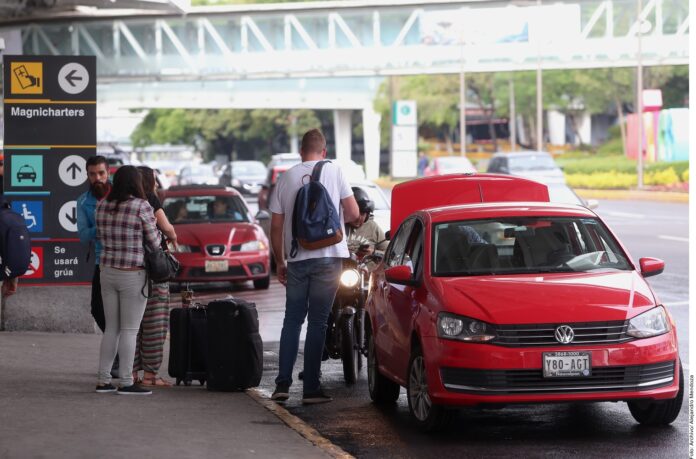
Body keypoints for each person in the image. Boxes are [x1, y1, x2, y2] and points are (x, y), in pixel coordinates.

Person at [269, 129, 360, 405]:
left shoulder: (285, 177)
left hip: (297, 258)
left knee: (292, 320)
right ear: (324, 152)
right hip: (329, 256)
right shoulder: (334, 170)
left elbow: (275, 227)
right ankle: (310, 388)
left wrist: (280, 261)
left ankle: (282, 385)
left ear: (300, 151)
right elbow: (354, 213)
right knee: (318, 322)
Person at [95, 165, 161, 395]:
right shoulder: (141, 206)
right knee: (130, 330)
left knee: (111, 329)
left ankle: (103, 380)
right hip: (133, 274)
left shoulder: (102, 204)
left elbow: (99, 236)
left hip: (107, 271)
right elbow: (154, 242)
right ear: (136, 183)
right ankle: (126, 381)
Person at [132, 166, 178, 387]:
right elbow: (167, 229)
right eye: (155, 181)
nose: (157, 185)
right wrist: (173, 238)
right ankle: (150, 375)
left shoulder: (119, 202)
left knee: (130, 325)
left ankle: (130, 372)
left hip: (128, 270)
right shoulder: (149, 200)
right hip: (153, 271)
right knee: (155, 323)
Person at [77, 156, 119, 375]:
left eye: (101, 173)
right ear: (87, 175)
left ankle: (123, 359)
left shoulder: (121, 196)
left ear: (108, 172)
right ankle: (119, 352)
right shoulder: (83, 201)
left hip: (126, 261)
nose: (97, 178)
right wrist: (102, 225)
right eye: (92, 174)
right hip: (101, 261)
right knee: (97, 309)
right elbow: (83, 236)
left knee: (127, 316)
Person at [345, 187, 388, 258]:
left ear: (367, 215)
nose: (359, 218)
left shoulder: (372, 227)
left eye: (362, 214)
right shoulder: (338, 227)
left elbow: (389, 254)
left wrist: (373, 252)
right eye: (356, 213)